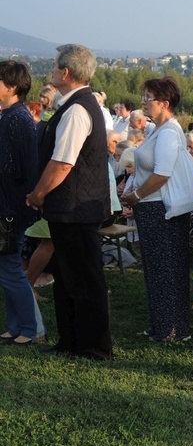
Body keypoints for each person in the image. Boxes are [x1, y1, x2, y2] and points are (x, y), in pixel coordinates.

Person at [27, 44, 112, 360]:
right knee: (67, 277)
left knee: (84, 279)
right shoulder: (76, 105)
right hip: (73, 207)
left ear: (65, 72)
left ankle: (93, 347)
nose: (51, 72)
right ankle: (71, 340)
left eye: (53, 67)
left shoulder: (77, 110)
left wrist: (38, 193)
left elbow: (62, 163)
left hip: (77, 207)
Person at [121, 77, 193, 342]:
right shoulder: (155, 130)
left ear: (164, 104)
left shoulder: (169, 132)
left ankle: (173, 330)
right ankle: (160, 324)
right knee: (156, 268)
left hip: (161, 208)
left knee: (167, 268)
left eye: (148, 97)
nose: (144, 101)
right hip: (151, 207)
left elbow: (162, 173)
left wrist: (136, 196)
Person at [0, 60, 47, 346]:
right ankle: (16, 325)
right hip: (8, 205)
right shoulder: (10, 116)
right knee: (6, 268)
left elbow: (18, 169)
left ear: (13, 86)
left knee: (10, 268)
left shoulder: (17, 119)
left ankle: (29, 329)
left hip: (11, 209)